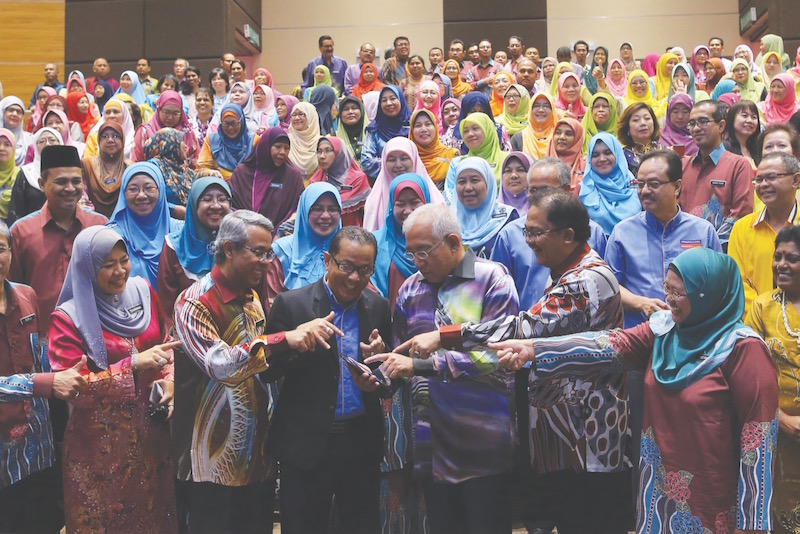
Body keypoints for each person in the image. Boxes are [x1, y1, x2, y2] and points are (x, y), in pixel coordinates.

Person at [492, 245, 777, 533]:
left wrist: (751, 523)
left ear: (708, 295)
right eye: (667, 288)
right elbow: (607, 345)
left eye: (680, 293)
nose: (669, 299)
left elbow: (759, 442)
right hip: (658, 494)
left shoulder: (742, 349)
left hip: (714, 501)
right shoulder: (663, 331)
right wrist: (533, 349)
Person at [392, 189, 629, 534]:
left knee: (587, 521)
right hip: (559, 437)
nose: (529, 241)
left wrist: (444, 337)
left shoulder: (584, 279)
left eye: (536, 232)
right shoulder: (563, 273)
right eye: (526, 232)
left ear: (568, 236)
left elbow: (521, 327)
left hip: (587, 435)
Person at [172, 210, 331, 533]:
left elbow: (260, 367)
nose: (266, 261)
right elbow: (220, 364)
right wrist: (284, 338)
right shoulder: (194, 302)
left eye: (268, 252)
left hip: (256, 454)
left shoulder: (251, 297)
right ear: (228, 249)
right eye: (257, 252)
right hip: (211, 460)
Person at [366, 203, 519, 534]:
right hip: (432, 446)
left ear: (453, 242)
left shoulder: (492, 279)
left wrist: (418, 364)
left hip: (482, 443)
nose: (417, 262)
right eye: (412, 254)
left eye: (424, 252)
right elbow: (405, 358)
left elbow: (496, 357)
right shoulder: (411, 289)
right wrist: (384, 359)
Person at [48, 225, 177, 533]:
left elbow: (165, 345)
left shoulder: (143, 292)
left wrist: (169, 380)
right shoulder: (68, 318)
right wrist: (130, 365)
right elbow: (72, 387)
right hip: (99, 448)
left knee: (153, 515)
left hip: (151, 435)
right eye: (107, 264)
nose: (120, 271)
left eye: (124, 260)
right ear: (88, 268)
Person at [265, 226, 391, 534]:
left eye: (364, 270)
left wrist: (378, 366)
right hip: (307, 447)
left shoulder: (377, 306)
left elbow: (389, 380)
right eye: (346, 267)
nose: (354, 278)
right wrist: (293, 343)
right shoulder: (291, 305)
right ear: (327, 261)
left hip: (360, 443)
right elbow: (267, 371)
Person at [0, 219, 87, 534]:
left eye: (0, 249)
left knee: (43, 519)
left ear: (11, 253)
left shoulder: (26, 296)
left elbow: (39, 356)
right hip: (3, 445)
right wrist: (50, 384)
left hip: (39, 440)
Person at [10, 145, 108, 340]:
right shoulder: (21, 232)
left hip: (97, 336)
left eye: (76, 181)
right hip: (43, 342)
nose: (70, 189)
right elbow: (13, 294)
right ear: (41, 184)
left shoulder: (100, 226)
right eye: (61, 182)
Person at [490, 157, 606, 310]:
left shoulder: (594, 232)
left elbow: (602, 286)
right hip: (524, 327)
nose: (537, 197)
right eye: (532, 190)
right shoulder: (509, 235)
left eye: (545, 190)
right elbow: (497, 292)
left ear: (566, 190)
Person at [746, 225, 800, 533]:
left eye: (792, 258)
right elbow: (750, 377)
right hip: (777, 435)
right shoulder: (762, 308)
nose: (781, 264)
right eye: (777, 256)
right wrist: (783, 420)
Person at [729, 152, 800, 315]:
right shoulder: (742, 228)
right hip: (755, 323)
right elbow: (737, 283)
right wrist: (766, 315)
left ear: (795, 180)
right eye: (759, 180)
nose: (763, 185)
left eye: (771, 177)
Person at [157, 177, 230, 327]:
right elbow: (166, 306)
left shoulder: (238, 244)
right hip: (185, 333)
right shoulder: (174, 246)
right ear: (193, 204)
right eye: (207, 199)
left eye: (222, 199)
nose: (216, 205)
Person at [680, 100, 754, 244]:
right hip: (680, 250)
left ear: (721, 126)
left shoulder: (739, 165)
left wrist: (706, 248)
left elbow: (740, 217)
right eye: (692, 123)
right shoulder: (682, 165)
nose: (696, 128)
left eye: (703, 121)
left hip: (718, 253)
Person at [263, 183, 342, 307]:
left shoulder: (346, 250)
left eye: (332, 209)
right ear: (304, 210)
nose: (326, 216)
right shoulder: (282, 251)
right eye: (317, 208)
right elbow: (272, 307)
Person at [107, 162, 181, 287]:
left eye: (148, 188)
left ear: (161, 190)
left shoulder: (180, 232)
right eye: (133, 189)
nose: (141, 195)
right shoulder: (112, 237)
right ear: (123, 194)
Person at [371, 173, 432, 303]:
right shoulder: (374, 243)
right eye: (400, 204)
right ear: (391, 207)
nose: (408, 211)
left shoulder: (438, 243)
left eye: (414, 202)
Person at [229, 127, 303, 230]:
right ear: (265, 146)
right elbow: (232, 207)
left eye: (286, 148)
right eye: (277, 147)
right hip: (243, 233)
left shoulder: (292, 177)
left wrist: (281, 232)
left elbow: (299, 209)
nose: (282, 152)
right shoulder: (242, 173)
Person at [363, 137, 442, 231]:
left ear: (414, 159)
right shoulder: (374, 201)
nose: (398, 165)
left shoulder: (434, 198)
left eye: (404, 158)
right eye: (392, 160)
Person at [452, 156, 517, 258]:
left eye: (474, 180)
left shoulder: (508, 219)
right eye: (462, 182)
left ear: (488, 183)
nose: (468, 188)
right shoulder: (446, 224)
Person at [580, 132, 641, 235]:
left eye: (608, 153)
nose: (602, 159)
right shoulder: (583, 190)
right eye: (595, 155)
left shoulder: (634, 184)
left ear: (617, 154)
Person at [309, 136, 371, 226]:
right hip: (323, 233)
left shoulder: (358, 179)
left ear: (340, 153)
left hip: (352, 235)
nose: (322, 156)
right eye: (319, 151)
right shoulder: (315, 181)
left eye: (328, 151)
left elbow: (368, 216)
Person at [8, 127, 62, 225]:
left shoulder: (68, 171)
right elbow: (16, 209)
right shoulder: (26, 173)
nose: (47, 144)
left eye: (52, 140)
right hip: (30, 230)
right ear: (35, 146)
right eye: (41, 141)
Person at [133, 90, 199, 164]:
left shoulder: (187, 133)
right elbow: (136, 161)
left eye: (175, 113)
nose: (170, 117)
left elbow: (196, 163)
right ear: (158, 110)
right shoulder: (144, 131)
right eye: (166, 112)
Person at [361, 85, 412, 181]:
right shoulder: (374, 129)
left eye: (393, 98)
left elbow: (421, 157)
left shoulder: (413, 125)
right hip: (383, 183)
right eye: (384, 100)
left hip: (412, 181)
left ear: (401, 100)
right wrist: (394, 165)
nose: (388, 103)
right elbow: (366, 162)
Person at [81, 121, 129, 218]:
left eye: (115, 136)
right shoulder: (86, 165)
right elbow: (82, 200)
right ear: (98, 141)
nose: (110, 140)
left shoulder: (130, 168)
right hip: (92, 221)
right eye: (105, 136)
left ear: (123, 141)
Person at [198, 103, 255, 179]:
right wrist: (210, 172)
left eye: (234, 123)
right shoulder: (212, 141)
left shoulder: (254, 141)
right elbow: (200, 170)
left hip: (249, 187)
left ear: (242, 122)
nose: (230, 128)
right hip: (221, 187)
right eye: (226, 124)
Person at [409, 108, 459, 187]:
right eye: (418, 125)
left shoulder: (452, 155)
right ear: (411, 131)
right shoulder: (407, 159)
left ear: (435, 127)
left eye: (428, 124)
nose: (423, 129)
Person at [617, 102, 663, 177]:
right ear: (627, 127)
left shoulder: (665, 152)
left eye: (647, 118)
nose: (643, 123)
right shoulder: (621, 156)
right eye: (636, 120)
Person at [546, 118, 586, 192]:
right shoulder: (541, 166)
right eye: (558, 133)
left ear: (577, 138)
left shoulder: (585, 165)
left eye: (568, 134)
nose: (562, 137)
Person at [724, 100, 761, 165]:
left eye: (754, 117)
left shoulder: (757, 149)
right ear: (732, 118)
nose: (750, 120)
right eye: (744, 115)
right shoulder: (724, 147)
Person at [335, 96, 367, 166]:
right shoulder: (334, 138)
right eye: (345, 109)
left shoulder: (372, 134)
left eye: (354, 108)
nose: (350, 112)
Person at [1, 96, 33, 166]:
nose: (15, 114)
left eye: (19, 112)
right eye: (11, 110)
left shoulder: (30, 139)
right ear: (2, 112)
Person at [499, 151, 533, 217]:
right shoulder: (492, 211)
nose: (513, 175)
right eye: (508, 171)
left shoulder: (541, 210)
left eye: (520, 170)